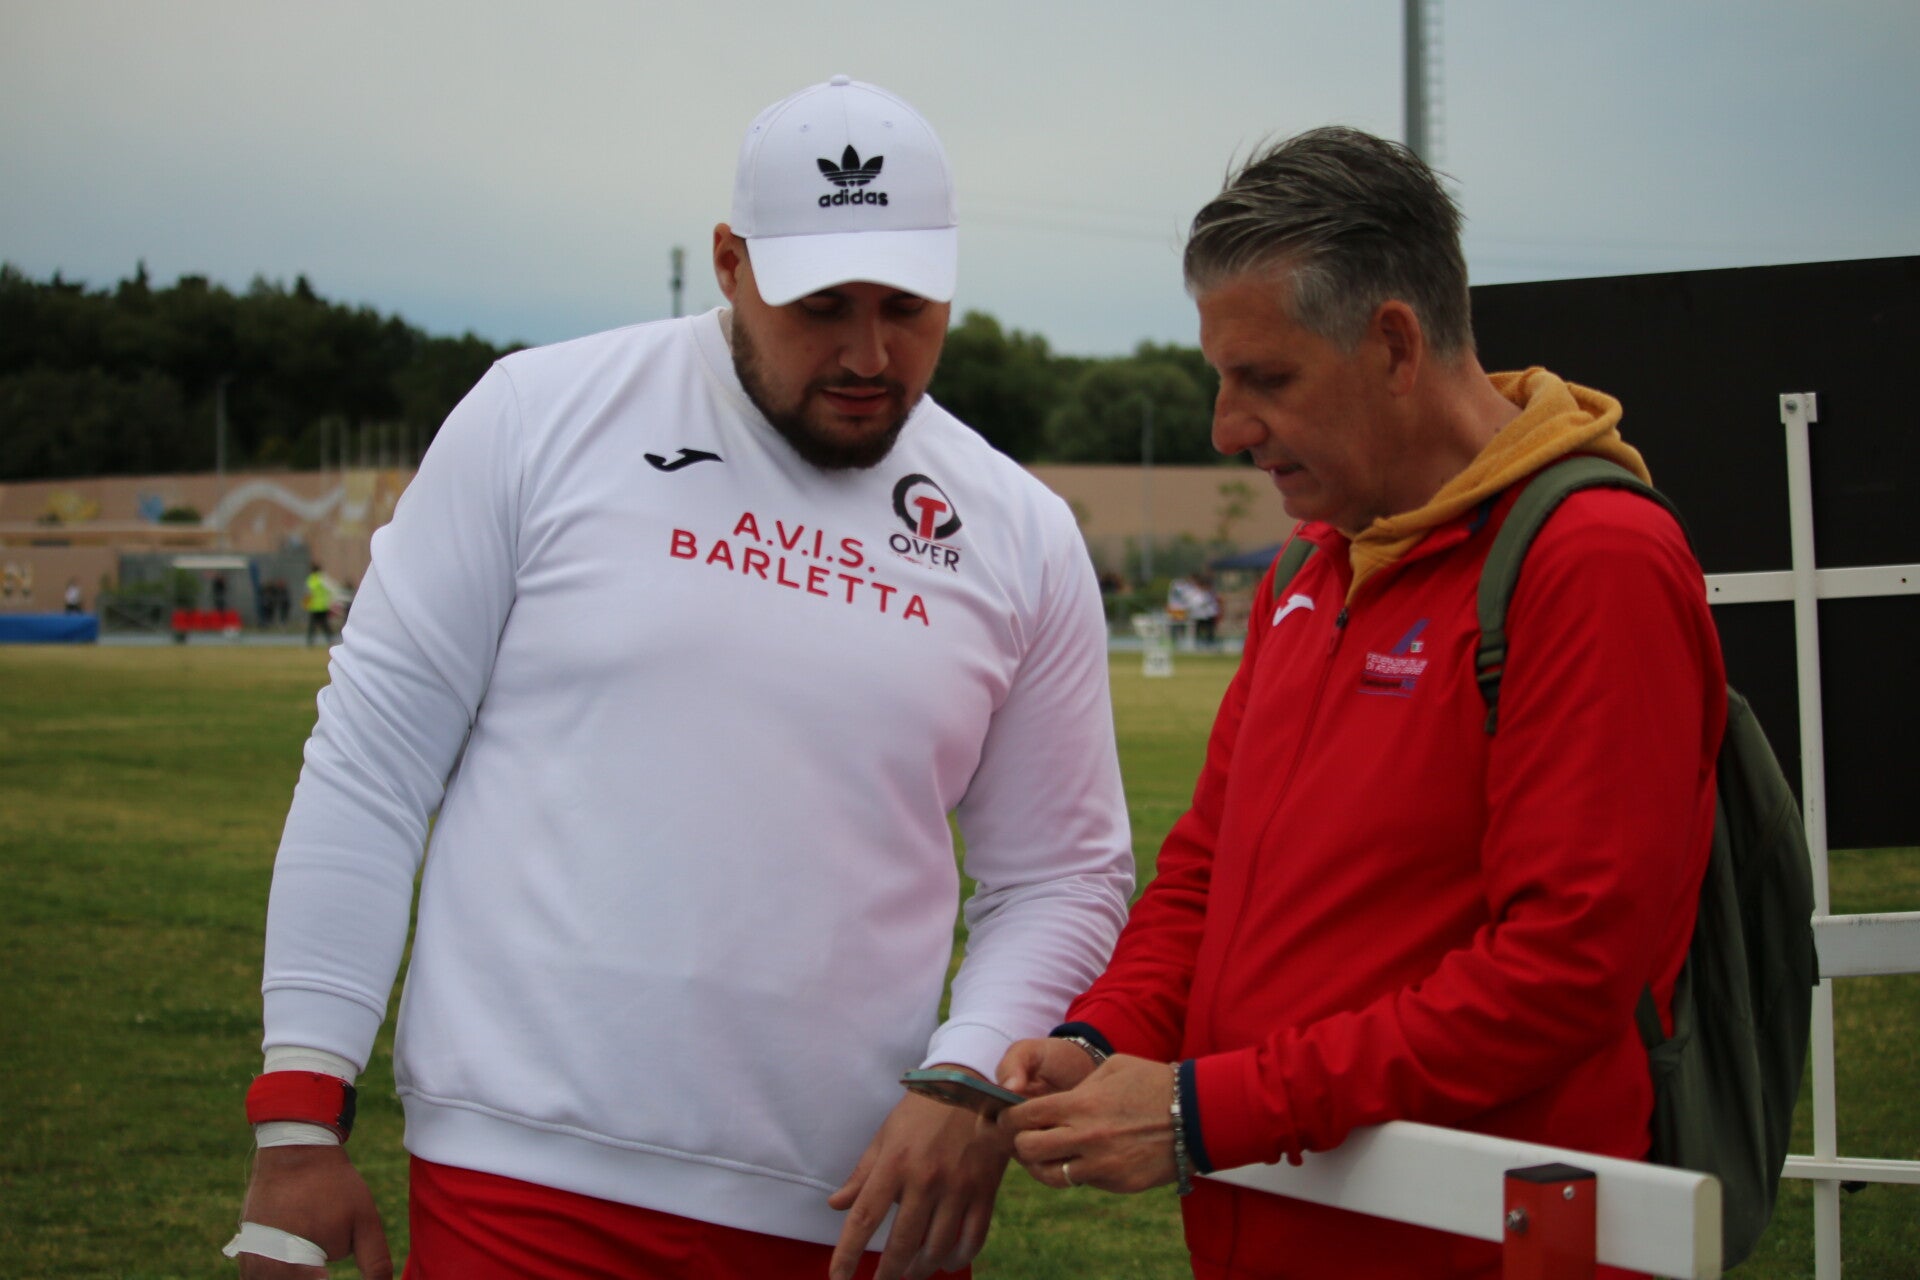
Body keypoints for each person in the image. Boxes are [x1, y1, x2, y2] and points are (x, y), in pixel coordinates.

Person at [229, 76, 1132, 1280]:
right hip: (525, 1185)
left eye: (907, 306)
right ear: (730, 262)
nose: (868, 353)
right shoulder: (538, 417)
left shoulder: (1019, 529)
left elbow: (1063, 875)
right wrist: (299, 1114)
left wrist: (965, 1075)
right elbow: (372, 765)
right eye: (823, 304)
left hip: (859, 1212)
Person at [997, 126, 1726, 1280]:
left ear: (1394, 343)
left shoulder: (1593, 558)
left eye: (1267, 378)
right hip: (1276, 1226)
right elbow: (1205, 874)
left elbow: (1563, 970)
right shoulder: (1311, 560)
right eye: (1221, 377)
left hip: (1481, 1242)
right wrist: (1105, 1032)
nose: (1226, 428)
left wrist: (1207, 1109)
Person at [301, 563, 332, 648]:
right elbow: (330, 590)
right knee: (325, 624)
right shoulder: (323, 578)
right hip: (323, 606)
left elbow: (307, 593)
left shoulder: (311, 579)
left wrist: (305, 604)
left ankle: (310, 642)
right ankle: (330, 640)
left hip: (314, 606)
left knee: (312, 625)